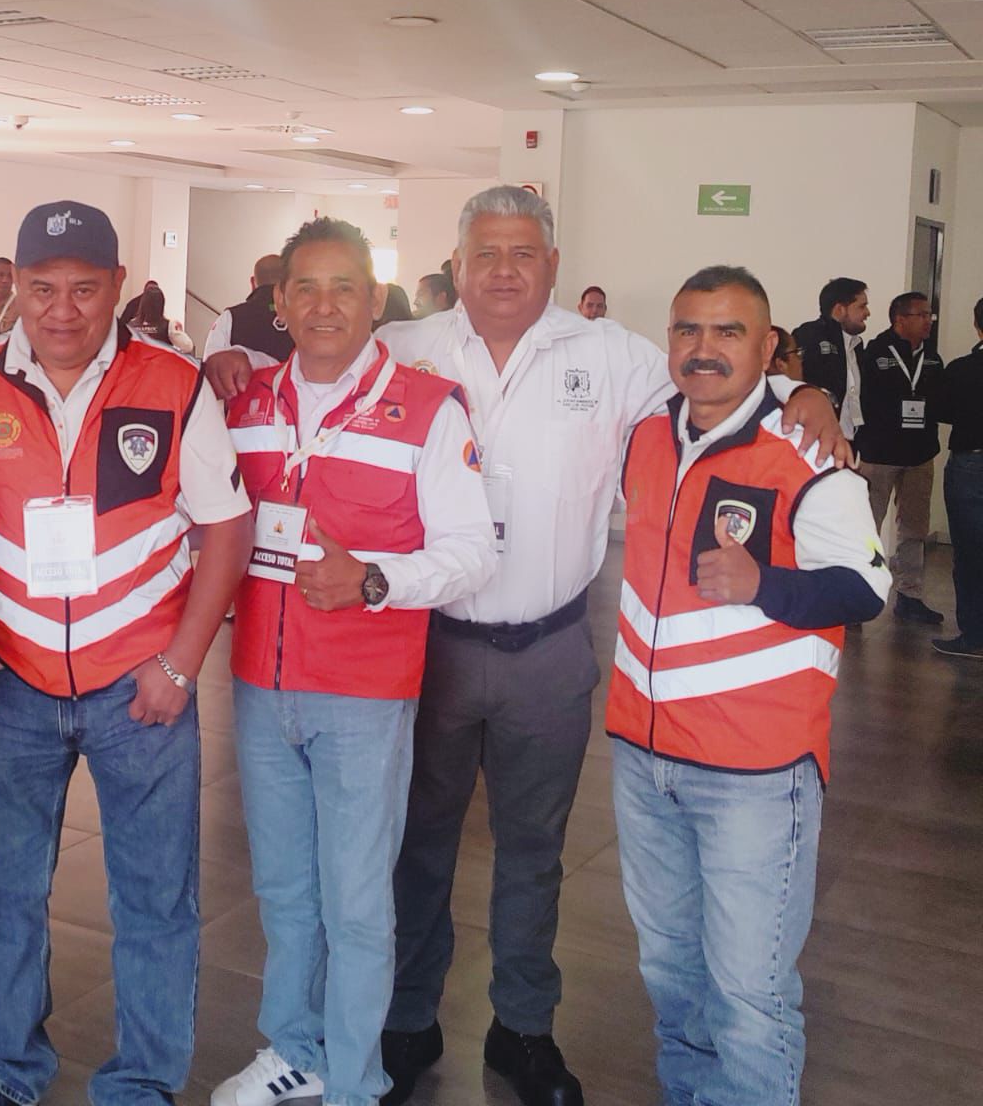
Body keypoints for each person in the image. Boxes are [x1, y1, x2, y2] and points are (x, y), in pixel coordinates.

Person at [324, 186, 846, 1106]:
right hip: (424, 647)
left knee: (534, 850)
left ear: (554, 266)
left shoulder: (617, 357)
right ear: (456, 261)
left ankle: (523, 1027)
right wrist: (228, 371)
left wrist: (804, 389)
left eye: (524, 253)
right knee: (416, 845)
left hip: (551, 652)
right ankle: (406, 1019)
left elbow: (721, 392)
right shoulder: (401, 348)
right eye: (485, 253)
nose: (504, 271)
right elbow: (311, 374)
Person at [0, 200, 253, 1106]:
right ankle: (9, 1066)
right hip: (9, 686)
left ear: (117, 286)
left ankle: (143, 1083)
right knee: (4, 896)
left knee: (155, 904)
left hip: (138, 687)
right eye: (41, 288)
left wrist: (183, 665)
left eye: (83, 288)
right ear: (13, 289)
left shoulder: (173, 382)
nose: (62, 309)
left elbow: (226, 529)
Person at [211, 218, 496, 1106]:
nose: (325, 305)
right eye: (307, 288)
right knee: (286, 890)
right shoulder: (245, 404)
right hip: (260, 687)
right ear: (280, 301)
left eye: (346, 288)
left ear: (376, 301)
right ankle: (296, 1048)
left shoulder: (428, 406)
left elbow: (474, 553)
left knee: (359, 902)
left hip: (365, 694)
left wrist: (373, 578)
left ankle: (356, 1082)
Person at [608, 265, 888, 1106]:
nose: (704, 349)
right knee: (669, 965)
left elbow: (867, 588)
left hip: (756, 772)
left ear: (769, 347)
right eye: (688, 330)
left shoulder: (806, 451)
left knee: (750, 990)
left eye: (729, 332)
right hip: (641, 754)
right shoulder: (645, 436)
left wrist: (762, 581)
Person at [857, 291, 945, 624]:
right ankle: (859, 592)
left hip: (919, 455)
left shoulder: (932, 357)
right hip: (879, 454)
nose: (928, 321)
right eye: (922, 314)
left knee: (914, 528)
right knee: (868, 525)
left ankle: (910, 595)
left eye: (930, 315)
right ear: (900, 319)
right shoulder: (875, 354)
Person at [932, 296, 983, 657]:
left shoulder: (963, 368)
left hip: (971, 462)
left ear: (977, 325)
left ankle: (975, 637)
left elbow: (942, 410)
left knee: (970, 552)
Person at [794, 276, 871, 440]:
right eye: (862, 306)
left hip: (850, 440)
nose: (867, 313)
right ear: (840, 309)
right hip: (816, 440)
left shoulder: (856, 345)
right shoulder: (810, 335)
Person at [202, 253, 294, 370]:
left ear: (252, 282)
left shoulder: (230, 317)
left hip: (243, 387)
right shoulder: (302, 318)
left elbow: (211, 364)